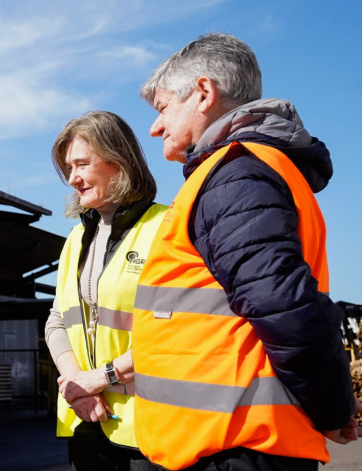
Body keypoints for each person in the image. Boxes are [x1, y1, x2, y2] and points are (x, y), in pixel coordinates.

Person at [132, 32, 362, 470]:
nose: (155, 127)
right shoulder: (238, 173)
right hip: (230, 443)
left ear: (203, 93)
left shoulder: (236, 176)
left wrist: (332, 410)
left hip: (235, 450)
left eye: (162, 109)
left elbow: (284, 306)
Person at [44, 111, 165, 471]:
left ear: (118, 161)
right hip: (86, 420)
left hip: (149, 427)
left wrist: (99, 379)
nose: (72, 178)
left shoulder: (165, 229)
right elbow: (57, 321)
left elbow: (174, 331)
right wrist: (77, 385)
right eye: (68, 167)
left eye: (81, 163)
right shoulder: (76, 240)